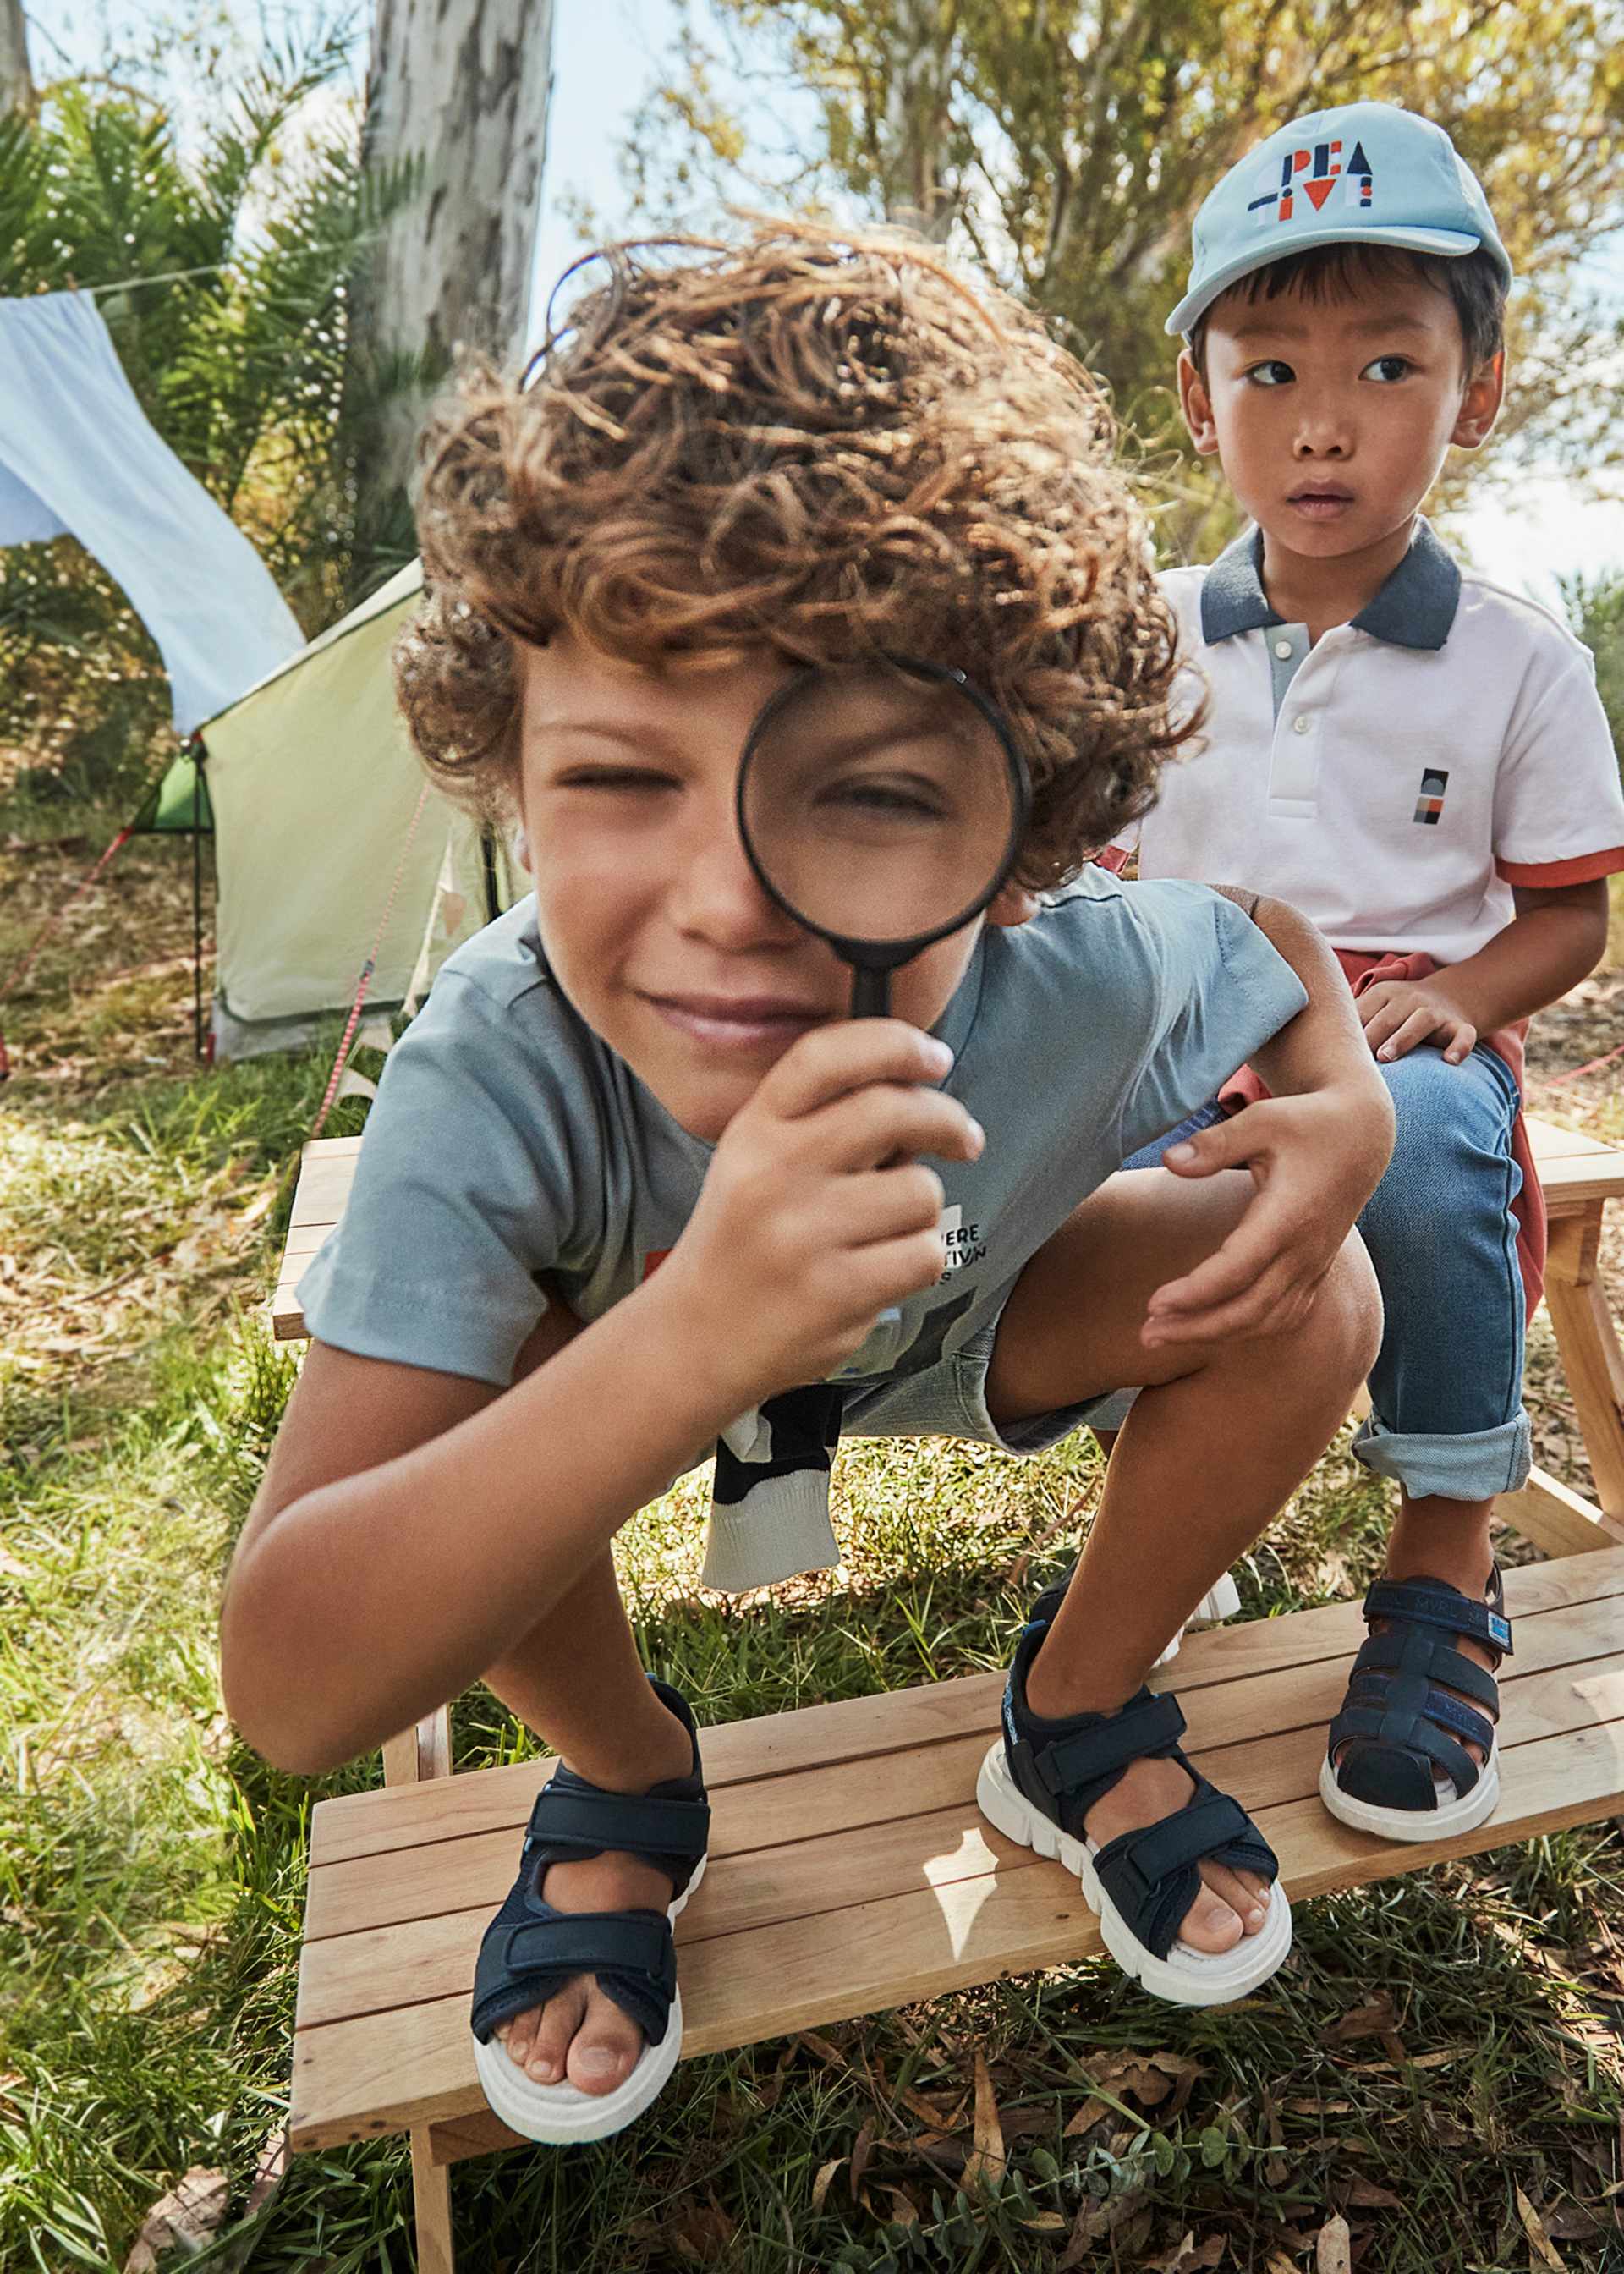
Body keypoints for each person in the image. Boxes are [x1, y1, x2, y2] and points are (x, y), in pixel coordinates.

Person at [218, 222, 1391, 2148]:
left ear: (1031, 835)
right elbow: (290, 1688)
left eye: (863, 792)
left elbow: (1261, 932)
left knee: (1316, 1296)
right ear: (508, 763)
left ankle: (1079, 1714)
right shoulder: (493, 1075)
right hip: (622, 1375)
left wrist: (1338, 1115)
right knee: (482, 1425)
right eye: (617, 778)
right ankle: (625, 1778)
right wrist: (687, 1336)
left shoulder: (1078, 966)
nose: (725, 900)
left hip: (968, 1312)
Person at [1105, 102, 1624, 1848]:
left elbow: (1569, 917)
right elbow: (1090, 863)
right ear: (1198, 398)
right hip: (1177, 1007)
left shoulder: (1520, 666)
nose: (1323, 423)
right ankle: (1165, 1543)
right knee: (1109, 1191)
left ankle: (1445, 1555)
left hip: (1396, 1009)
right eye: (1267, 372)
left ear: (1472, 396)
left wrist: (1473, 995)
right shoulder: (1148, 636)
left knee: (1413, 1139)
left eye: (1388, 366)